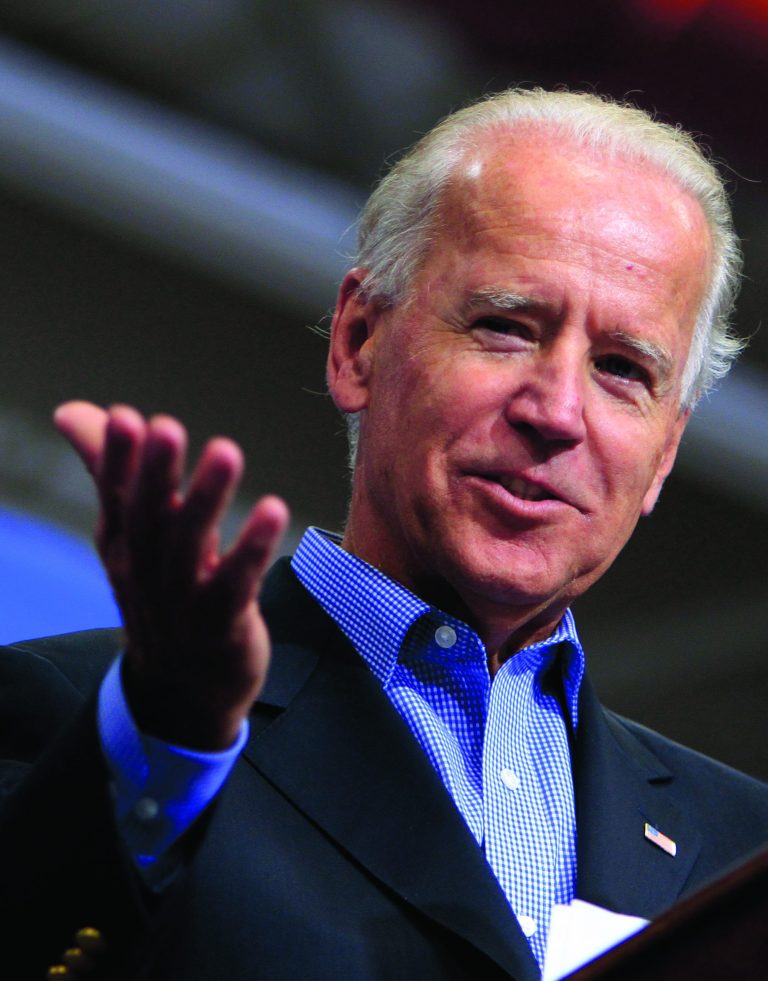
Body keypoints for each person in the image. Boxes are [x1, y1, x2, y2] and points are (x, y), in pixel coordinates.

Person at [1, 88, 766, 981]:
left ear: (666, 450)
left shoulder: (744, 853)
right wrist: (168, 748)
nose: (558, 411)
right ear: (359, 342)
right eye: (506, 327)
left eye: (623, 369)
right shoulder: (89, 722)